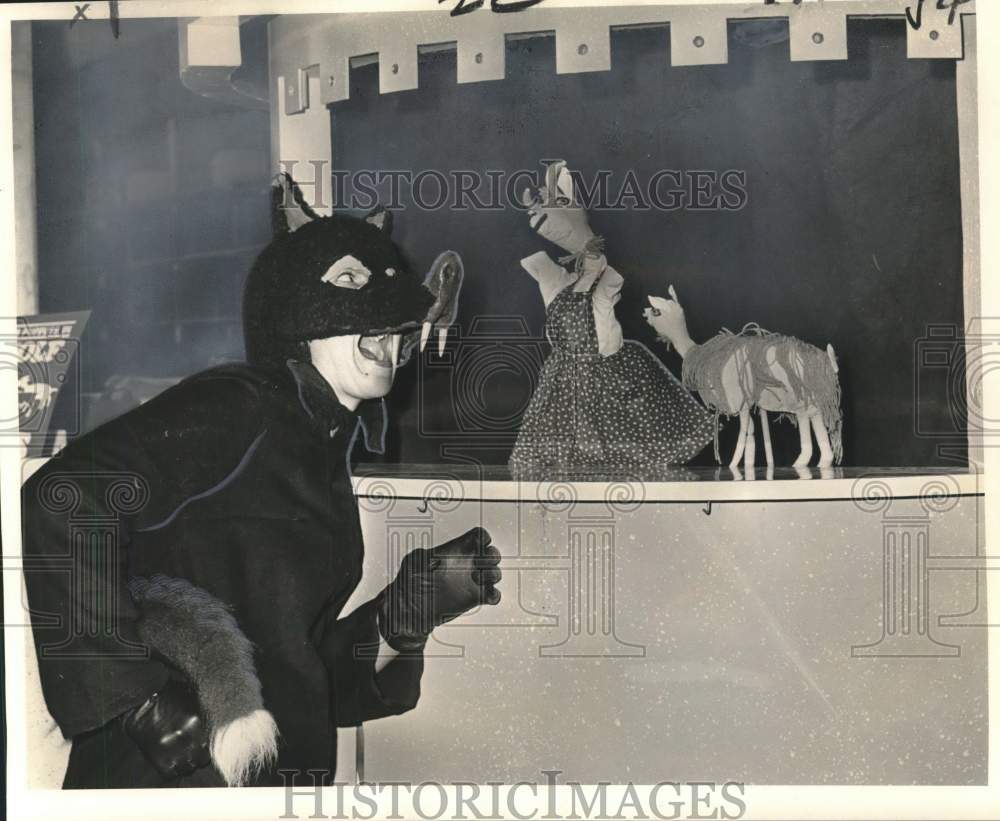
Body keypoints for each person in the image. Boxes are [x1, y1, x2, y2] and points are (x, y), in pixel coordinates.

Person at [20, 175, 502, 788]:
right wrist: (134, 697)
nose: (387, 333)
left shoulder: (323, 443)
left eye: (392, 313)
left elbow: (299, 674)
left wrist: (401, 618)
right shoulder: (239, 405)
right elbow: (61, 498)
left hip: (277, 781)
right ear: (295, 319)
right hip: (173, 784)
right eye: (350, 281)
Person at [508, 161, 716, 475]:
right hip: (563, 377)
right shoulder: (555, 282)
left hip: (605, 371)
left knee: (624, 443)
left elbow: (598, 262)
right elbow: (545, 264)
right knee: (561, 448)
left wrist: (580, 237)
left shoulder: (603, 285)